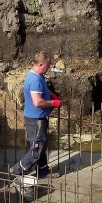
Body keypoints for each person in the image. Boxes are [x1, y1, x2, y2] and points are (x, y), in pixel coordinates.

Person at [10, 51, 61, 179]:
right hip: (36, 119)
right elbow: (38, 102)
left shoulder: (37, 76)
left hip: (36, 117)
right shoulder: (34, 80)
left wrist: (50, 94)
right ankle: (17, 170)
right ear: (41, 64)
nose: (49, 68)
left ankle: (42, 171)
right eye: (47, 66)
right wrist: (52, 102)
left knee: (41, 144)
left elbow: (43, 89)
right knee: (37, 148)